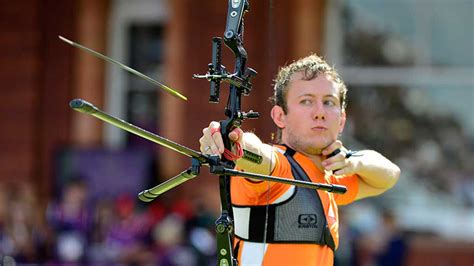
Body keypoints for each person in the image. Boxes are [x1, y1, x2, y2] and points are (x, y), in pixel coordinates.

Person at [199, 54, 400, 266]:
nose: (319, 113)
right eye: (306, 101)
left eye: (329, 102)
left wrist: (352, 162)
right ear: (279, 116)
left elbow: (390, 175)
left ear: (341, 120)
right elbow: (256, 153)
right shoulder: (278, 168)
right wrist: (232, 142)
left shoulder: (330, 178)